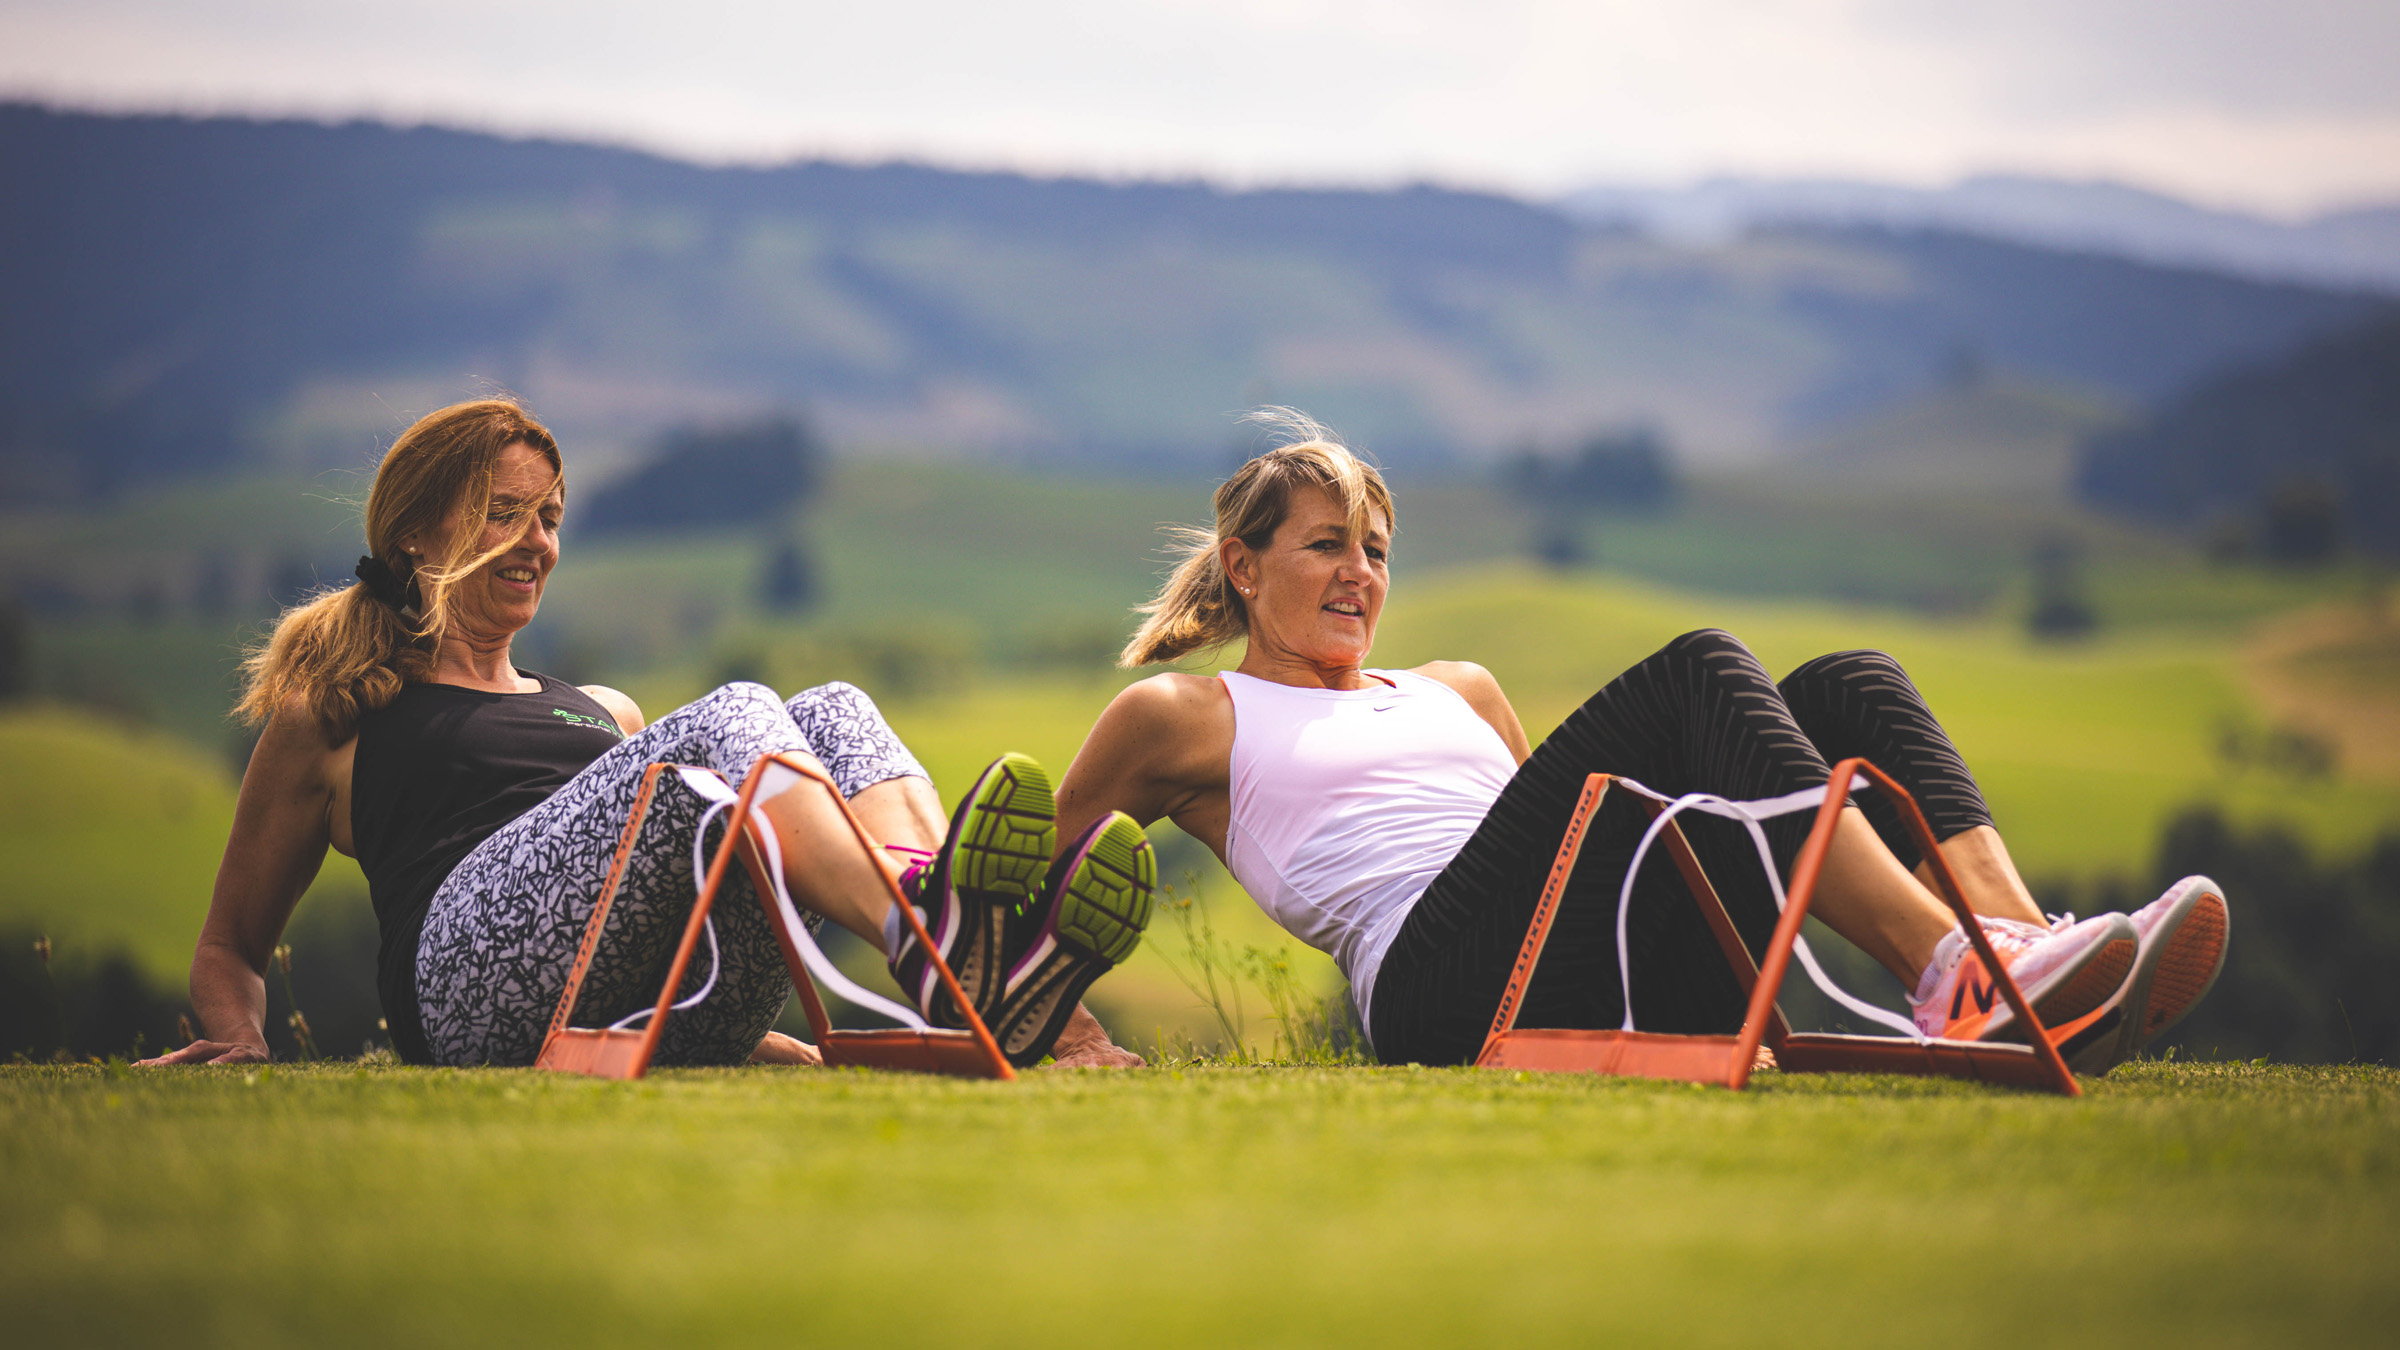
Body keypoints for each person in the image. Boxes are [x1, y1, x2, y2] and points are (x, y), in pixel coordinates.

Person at [1051, 411, 2227, 1073]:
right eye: (1324, 546)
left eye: (1376, 548)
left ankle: (2017, 956)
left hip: (1582, 952)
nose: (1359, 573)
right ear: (1245, 568)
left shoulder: (1457, 686)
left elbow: (1570, 849)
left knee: (1849, 685)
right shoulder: (1193, 716)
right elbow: (1026, 879)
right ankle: (1953, 974)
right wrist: (1072, 1031)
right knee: (1701, 670)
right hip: (1434, 987)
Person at [141, 399, 1149, 1070]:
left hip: (656, 1001)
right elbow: (231, 944)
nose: (537, 543)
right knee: (735, 711)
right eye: (503, 515)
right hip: (462, 998)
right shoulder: (341, 710)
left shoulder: (606, 712)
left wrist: (746, 1040)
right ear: (417, 533)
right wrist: (239, 1044)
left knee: (835, 706)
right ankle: (937, 938)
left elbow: (656, 904)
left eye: (550, 518)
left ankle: (983, 958)